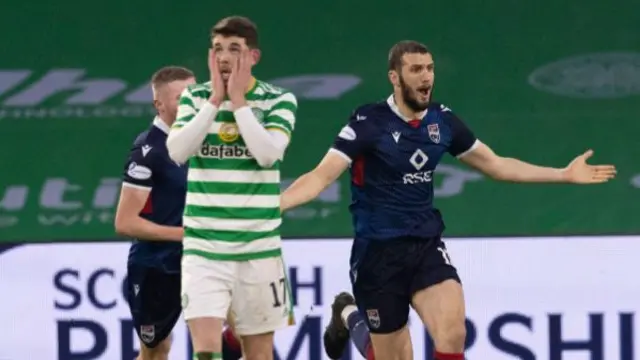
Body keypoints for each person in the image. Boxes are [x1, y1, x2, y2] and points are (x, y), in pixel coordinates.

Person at [280, 40, 616, 360]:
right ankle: (349, 314)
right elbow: (319, 178)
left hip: (425, 246)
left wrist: (563, 173)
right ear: (395, 78)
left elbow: (495, 165)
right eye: (415, 69)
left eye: (430, 68)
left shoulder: (442, 121)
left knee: (452, 333)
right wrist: (271, 206)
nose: (426, 77)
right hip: (377, 257)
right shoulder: (369, 124)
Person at [166, 16, 297, 360]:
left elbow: (268, 155)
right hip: (204, 250)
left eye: (234, 50)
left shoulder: (278, 100)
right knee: (206, 352)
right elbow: (177, 151)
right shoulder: (194, 99)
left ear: (253, 57)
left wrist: (238, 103)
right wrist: (214, 102)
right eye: (218, 49)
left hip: (259, 250)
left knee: (258, 353)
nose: (224, 58)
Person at [115, 66, 195, 360]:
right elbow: (125, 222)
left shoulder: (199, 142)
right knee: (156, 351)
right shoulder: (148, 151)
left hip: (200, 258)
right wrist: (185, 235)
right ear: (158, 105)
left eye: (194, 95)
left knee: (240, 330)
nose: (190, 104)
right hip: (157, 265)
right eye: (180, 98)